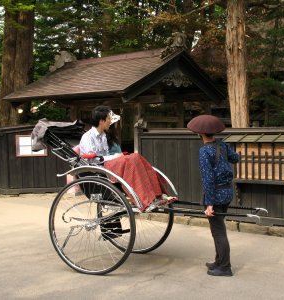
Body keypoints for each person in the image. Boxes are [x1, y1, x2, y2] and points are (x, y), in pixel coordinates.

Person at [79, 105, 176, 211]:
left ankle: (157, 194)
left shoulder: (103, 135)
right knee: (132, 158)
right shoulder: (87, 137)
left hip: (107, 164)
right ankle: (146, 199)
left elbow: (105, 154)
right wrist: (115, 156)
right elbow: (93, 159)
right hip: (98, 168)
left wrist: (116, 157)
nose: (110, 121)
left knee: (136, 157)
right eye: (108, 119)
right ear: (101, 121)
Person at [187, 114, 240, 277]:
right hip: (227, 192)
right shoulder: (222, 145)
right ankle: (218, 261)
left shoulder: (204, 151)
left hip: (215, 194)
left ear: (200, 134)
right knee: (218, 228)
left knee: (218, 231)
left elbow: (208, 179)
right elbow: (235, 158)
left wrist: (209, 204)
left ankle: (225, 267)